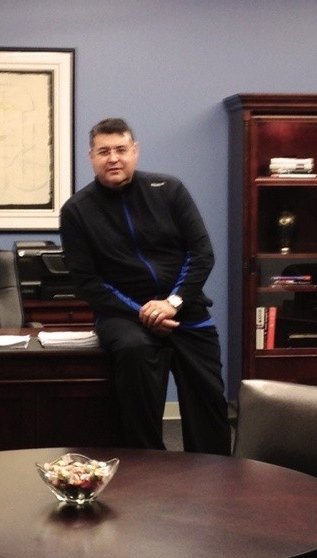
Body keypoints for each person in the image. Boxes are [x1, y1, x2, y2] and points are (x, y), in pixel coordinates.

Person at [60, 118, 231, 455]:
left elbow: (201, 254)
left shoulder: (169, 190)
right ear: (91, 157)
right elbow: (87, 282)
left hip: (183, 308)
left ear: (134, 152)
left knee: (209, 399)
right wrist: (142, 312)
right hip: (123, 316)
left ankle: (215, 470)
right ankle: (148, 466)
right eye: (104, 151)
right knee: (134, 355)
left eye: (121, 149)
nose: (113, 158)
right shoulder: (77, 211)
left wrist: (173, 302)